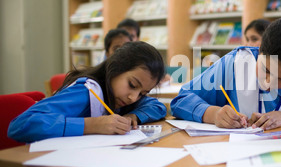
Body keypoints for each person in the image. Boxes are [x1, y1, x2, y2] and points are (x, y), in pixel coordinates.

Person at [171, 17, 281, 130]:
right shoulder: (235, 63)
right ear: (259, 51)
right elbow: (180, 100)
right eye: (266, 69)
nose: (268, 81)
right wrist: (212, 114)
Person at [8, 41, 167, 143]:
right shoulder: (85, 92)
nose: (133, 97)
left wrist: (133, 116)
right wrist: (90, 125)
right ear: (116, 68)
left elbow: (157, 106)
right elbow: (20, 125)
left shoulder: (123, 98)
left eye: (142, 93)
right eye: (132, 84)